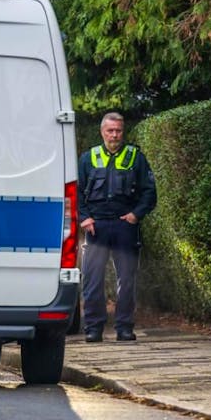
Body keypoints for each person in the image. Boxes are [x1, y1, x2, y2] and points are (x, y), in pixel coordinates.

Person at [77, 112, 157, 342]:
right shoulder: (88, 158)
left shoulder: (136, 157)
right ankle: (93, 328)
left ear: (123, 132)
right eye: (110, 131)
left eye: (118, 131)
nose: (114, 135)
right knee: (92, 280)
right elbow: (77, 191)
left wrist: (136, 215)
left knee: (127, 280)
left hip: (125, 226)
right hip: (96, 226)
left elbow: (149, 192)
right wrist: (85, 218)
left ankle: (124, 328)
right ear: (102, 132)